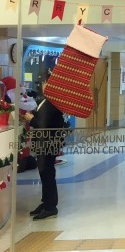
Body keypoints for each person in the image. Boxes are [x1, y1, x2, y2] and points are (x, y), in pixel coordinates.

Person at [21, 87, 67, 220]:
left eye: (46, 83)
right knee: (44, 172)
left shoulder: (53, 103)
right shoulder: (47, 101)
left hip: (48, 143)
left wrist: (32, 119)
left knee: (47, 172)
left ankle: (51, 207)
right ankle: (46, 202)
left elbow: (45, 124)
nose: (44, 86)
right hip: (44, 143)